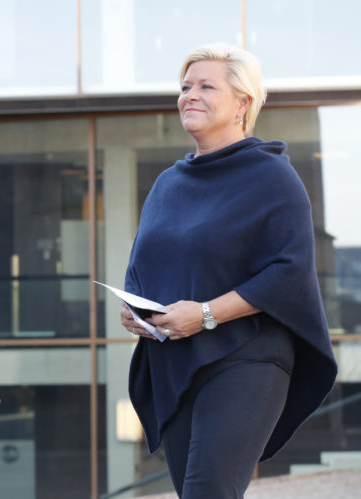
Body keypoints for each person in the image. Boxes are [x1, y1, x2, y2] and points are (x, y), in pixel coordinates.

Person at [120, 44, 337, 498]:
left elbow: (289, 271)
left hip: (247, 357)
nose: (189, 96)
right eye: (184, 87)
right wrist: (136, 308)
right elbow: (144, 265)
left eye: (205, 86)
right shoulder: (167, 184)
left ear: (243, 103)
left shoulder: (272, 176)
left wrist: (204, 314)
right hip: (174, 363)